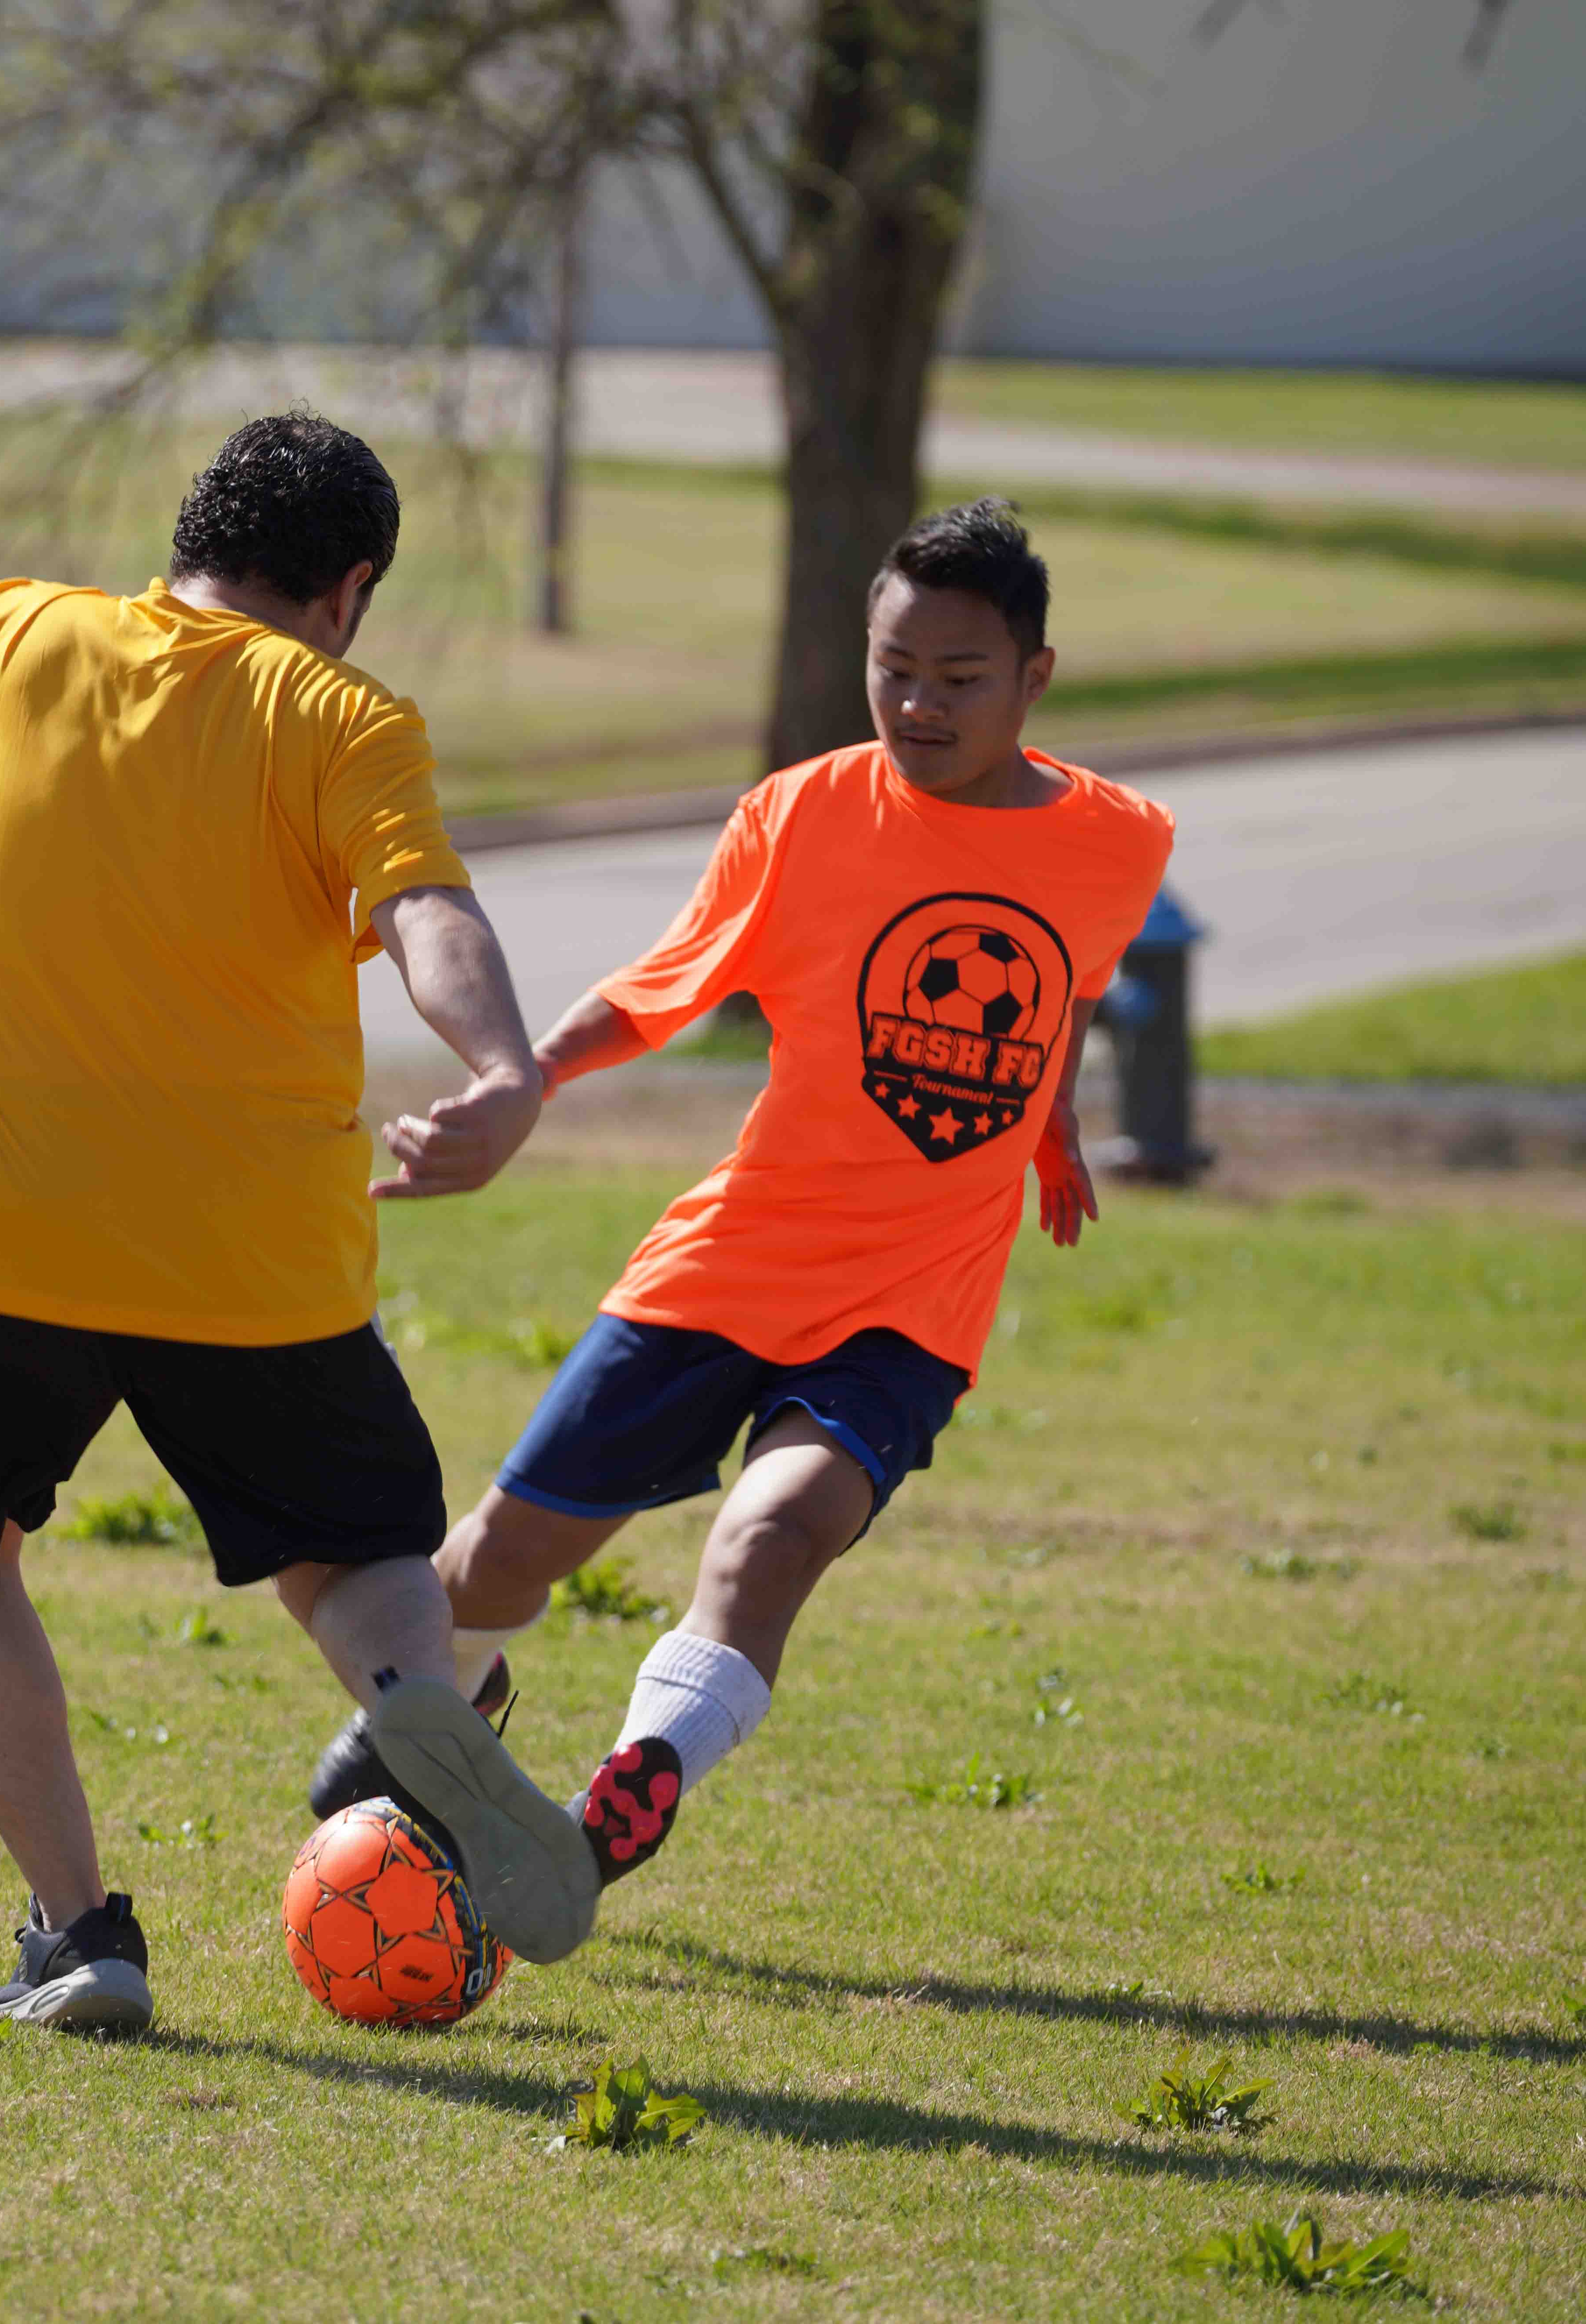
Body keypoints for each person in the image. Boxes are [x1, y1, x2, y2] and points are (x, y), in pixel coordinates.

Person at [0, 413, 598, 2034]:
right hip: (250, 1252)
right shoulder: (340, 713)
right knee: (354, 1553)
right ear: (346, 587)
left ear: (190, 537)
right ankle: (414, 1702)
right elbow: (424, 907)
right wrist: (503, 1071)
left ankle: (80, 1932)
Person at [310, 498, 1174, 1894]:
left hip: (913, 1295)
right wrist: (525, 1076)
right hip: (732, 1260)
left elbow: (1060, 980)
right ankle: (446, 1713)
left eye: (958, 679)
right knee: (496, 1561)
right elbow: (665, 987)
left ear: (1035, 679)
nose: (916, 702)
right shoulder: (804, 812)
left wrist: (1052, 1113)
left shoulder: (1121, 841)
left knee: (774, 1533)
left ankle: (624, 1794)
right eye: (891, 667)